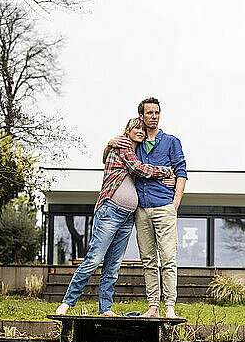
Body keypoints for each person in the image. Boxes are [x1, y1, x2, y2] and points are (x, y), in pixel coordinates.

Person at [55, 117, 173, 317]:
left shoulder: (136, 152)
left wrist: (167, 183)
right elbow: (138, 169)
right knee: (93, 260)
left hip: (127, 217)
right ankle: (66, 304)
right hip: (110, 211)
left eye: (143, 129)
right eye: (136, 128)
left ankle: (105, 309)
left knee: (113, 265)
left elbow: (139, 173)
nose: (140, 131)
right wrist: (165, 171)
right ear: (127, 130)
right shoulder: (122, 146)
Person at [109, 97, 187, 319]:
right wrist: (108, 142)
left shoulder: (171, 141)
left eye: (157, 112)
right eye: (149, 113)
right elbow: (114, 157)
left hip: (164, 208)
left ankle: (169, 307)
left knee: (168, 259)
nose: (154, 116)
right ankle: (153, 306)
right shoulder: (136, 142)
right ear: (141, 116)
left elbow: (181, 172)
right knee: (148, 261)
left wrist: (175, 203)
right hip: (141, 210)